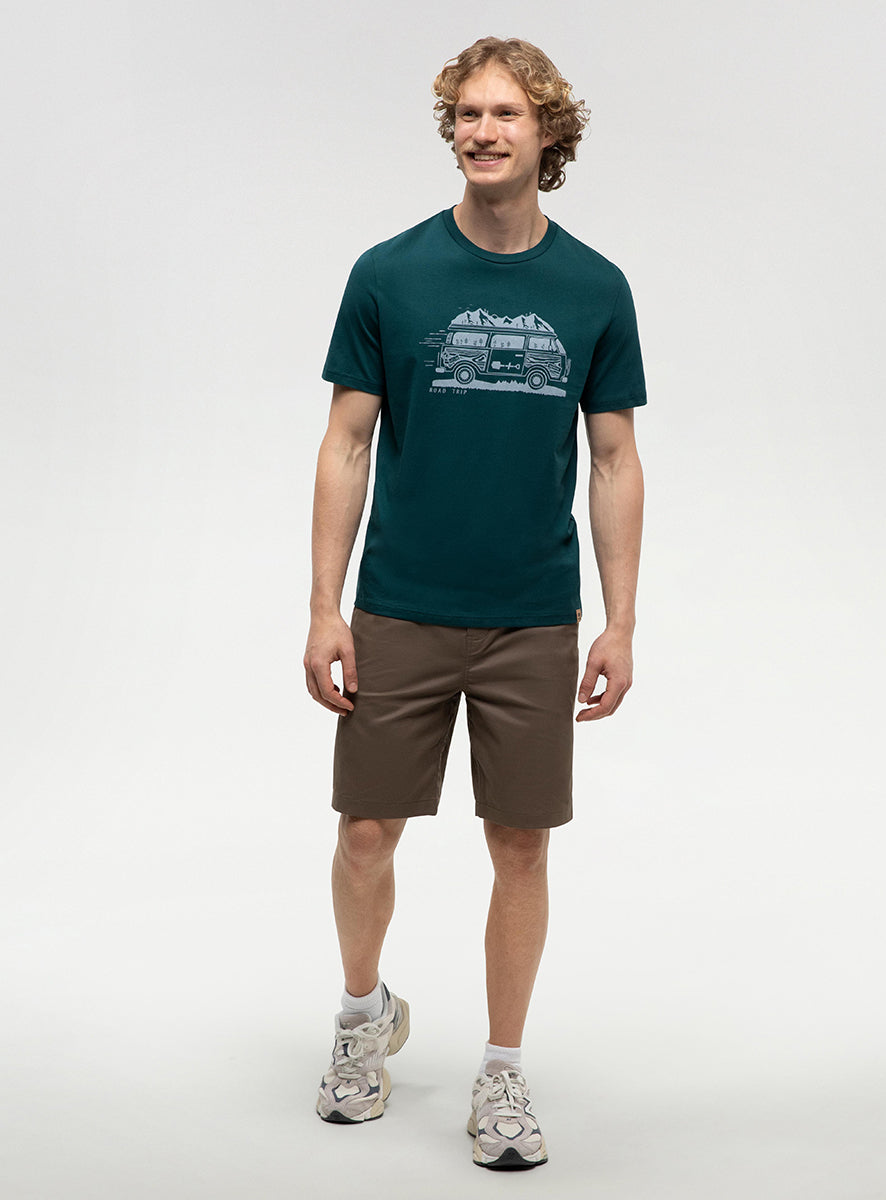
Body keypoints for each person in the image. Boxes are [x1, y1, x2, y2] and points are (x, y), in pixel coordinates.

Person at [303, 35, 646, 1169]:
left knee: (522, 847)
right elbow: (347, 443)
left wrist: (620, 620)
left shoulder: (594, 288)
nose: (482, 131)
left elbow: (613, 459)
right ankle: (364, 1019)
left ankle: (502, 1073)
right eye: (466, 113)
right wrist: (325, 606)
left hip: (533, 616)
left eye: (506, 113)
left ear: (549, 133)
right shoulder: (389, 274)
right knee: (365, 833)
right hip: (400, 603)